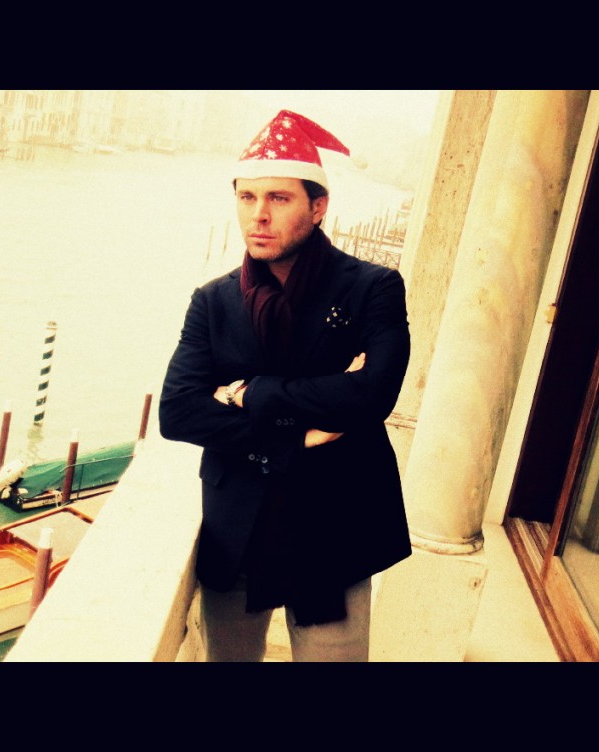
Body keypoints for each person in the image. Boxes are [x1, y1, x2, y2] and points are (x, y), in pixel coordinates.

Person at [158, 110, 412, 662]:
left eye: (278, 198)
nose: (259, 215)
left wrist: (250, 393)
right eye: (246, 198)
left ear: (318, 207)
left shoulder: (373, 289)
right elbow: (178, 412)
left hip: (335, 523)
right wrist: (294, 436)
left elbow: (373, 395)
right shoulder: (213, 301)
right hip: (236, 520)